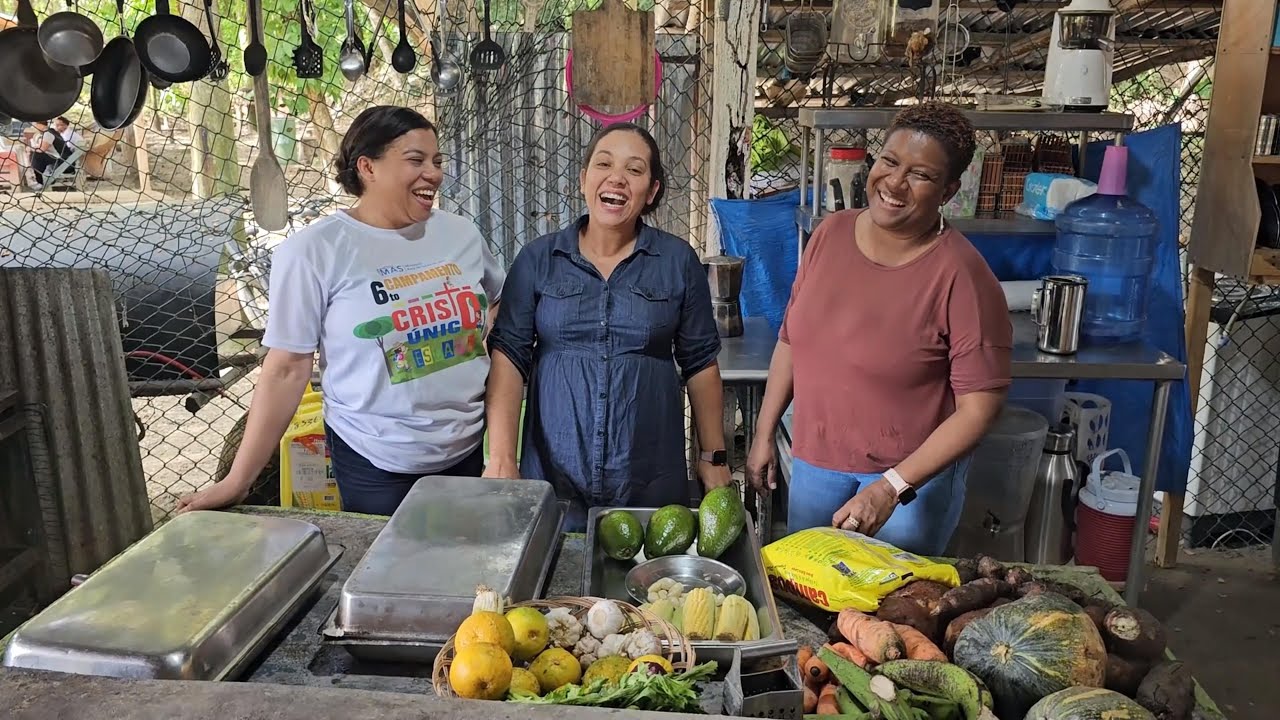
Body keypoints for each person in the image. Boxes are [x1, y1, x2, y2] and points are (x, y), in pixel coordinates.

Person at [177, 105, 505, 516]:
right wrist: (237, 480)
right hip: (376, 459)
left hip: (466, 446)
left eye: (437, 161)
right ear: (368, 167)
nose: (434, 174)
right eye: (415, 160)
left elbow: (498, 298)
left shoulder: (459, 234)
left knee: (464, 551)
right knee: (388, 556)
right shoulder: (315, 251)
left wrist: (475, 341)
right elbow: (286, 368)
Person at [745, 102, 1013, 556]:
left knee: (896, 594)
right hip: (816, 461)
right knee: (809, 585)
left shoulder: (962, 275)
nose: (894, 183)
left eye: (920, 175)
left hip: (910, 483)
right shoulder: (829, 235)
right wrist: (763, 432)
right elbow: (791, 340)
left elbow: (979, 410)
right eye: (890, 161)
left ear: (948, 191)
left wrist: (892, 487)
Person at [484, 122, 731, 532]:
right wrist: (501, 458)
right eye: (604, 164)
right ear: (584, 179)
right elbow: (509, 357)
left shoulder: (677, 261)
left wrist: (714, 458)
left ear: (651, 191)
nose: (617, 177)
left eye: (634, 169)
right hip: (553, 476)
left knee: (649, 570)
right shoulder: (538, 259)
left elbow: (701, 363)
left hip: (648, 475)